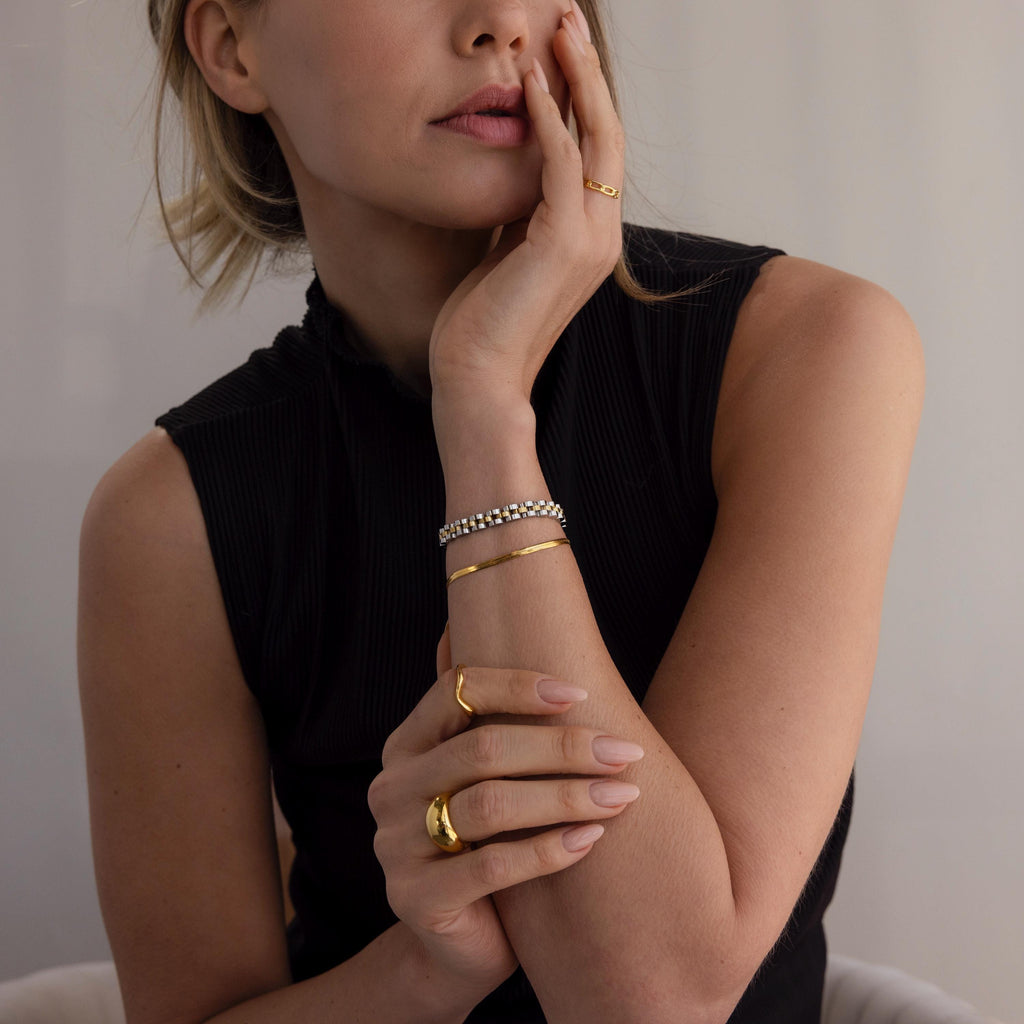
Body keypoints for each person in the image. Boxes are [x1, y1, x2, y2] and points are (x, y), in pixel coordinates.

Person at [77, 0, 924, 1021]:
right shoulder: (167, 520)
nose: (496, 23)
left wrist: (479, 400)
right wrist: (428, 967)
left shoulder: (806, 352)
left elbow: (651, 1003)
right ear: (230, 49)